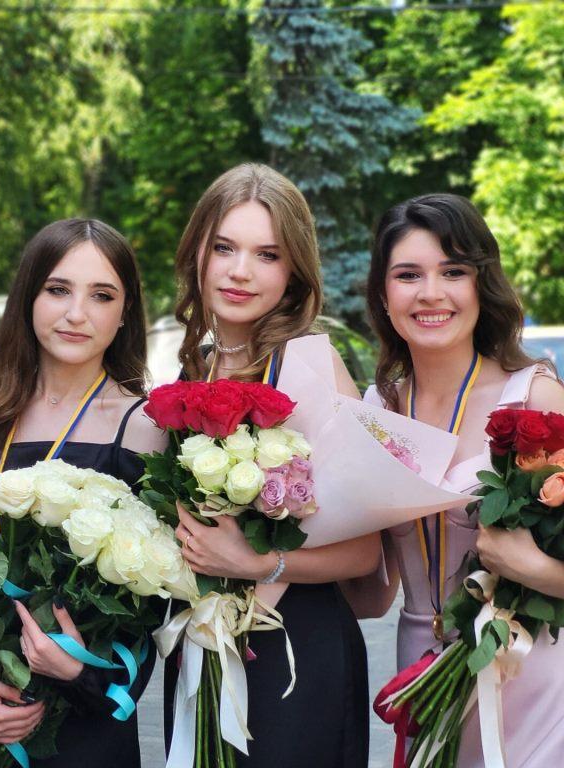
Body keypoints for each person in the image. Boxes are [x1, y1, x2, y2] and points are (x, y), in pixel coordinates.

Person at [166, 163, 380, 767]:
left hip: (294, 654)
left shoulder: (309, 365)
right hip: (205, 649)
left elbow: (366, 553)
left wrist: (260, 563)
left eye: (267, 254)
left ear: (293, 273)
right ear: (197, 253)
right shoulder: (194, 368)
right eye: (224, 248)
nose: (240, 271)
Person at [0, 218, 166, 768]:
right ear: (28, 297)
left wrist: (83, 672)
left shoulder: (145, 427)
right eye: (58, 289)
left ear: (125, 312)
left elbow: (157, 599)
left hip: (86, 726)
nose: (76, 313)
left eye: (101, 295)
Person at [358, 193, 564, 767]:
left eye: (453, 272)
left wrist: (535, 568)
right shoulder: (374, 410)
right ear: (383, 294)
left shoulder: (536, 398)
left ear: (482, 284)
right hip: (419, 671)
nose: (431, 293)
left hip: (529, 674)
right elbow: (372, 593)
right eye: (408, 275)